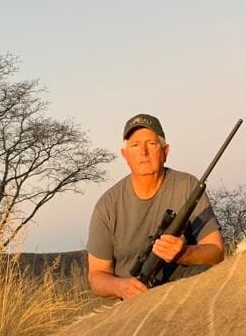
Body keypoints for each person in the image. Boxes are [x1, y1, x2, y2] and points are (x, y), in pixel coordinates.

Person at [87, 114, 225, 300]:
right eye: (135, 145)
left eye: (151, 144)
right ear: (125, 154)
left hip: (184, 295)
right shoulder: (107, 206)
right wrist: (121, 287)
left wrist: (184, 253)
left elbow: (216, 252)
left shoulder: (188, 187)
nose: (143, 152)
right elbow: (96, 276)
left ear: (165, 151)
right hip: (133, 301)